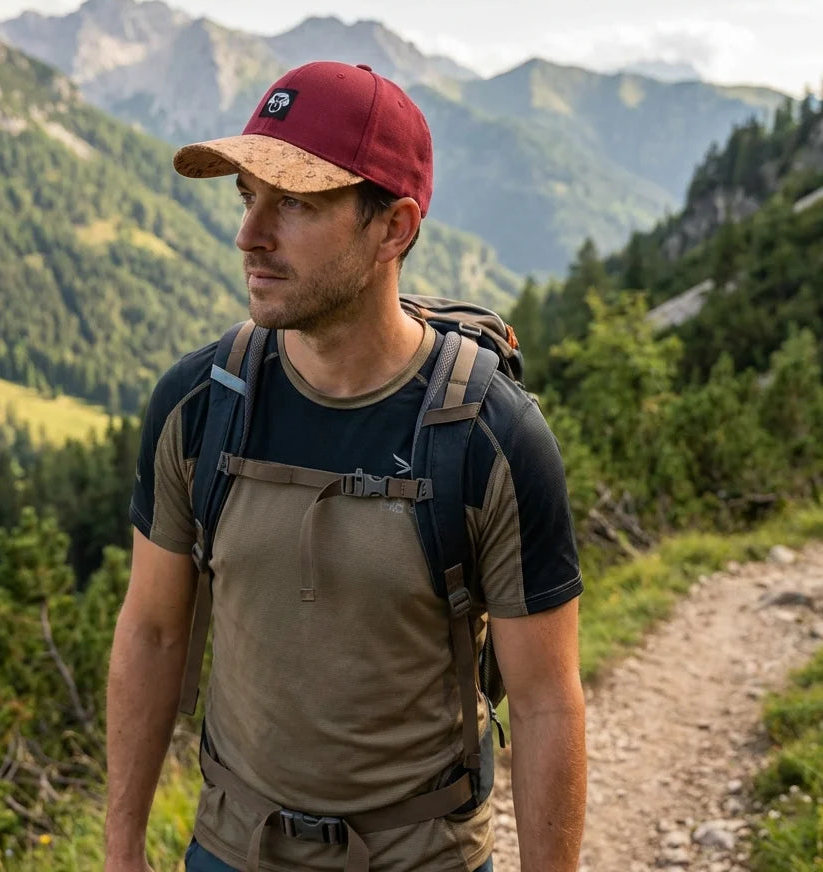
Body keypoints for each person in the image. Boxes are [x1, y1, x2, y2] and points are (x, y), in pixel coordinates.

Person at [105, 61, 586, 872]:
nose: (249, 236)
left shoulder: (491, 438)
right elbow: (152, 632)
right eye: (247, 196)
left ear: (393, 228)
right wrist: (122, 851)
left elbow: (545, 704)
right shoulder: (200, 403)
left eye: (294, 202)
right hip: (229, 850)